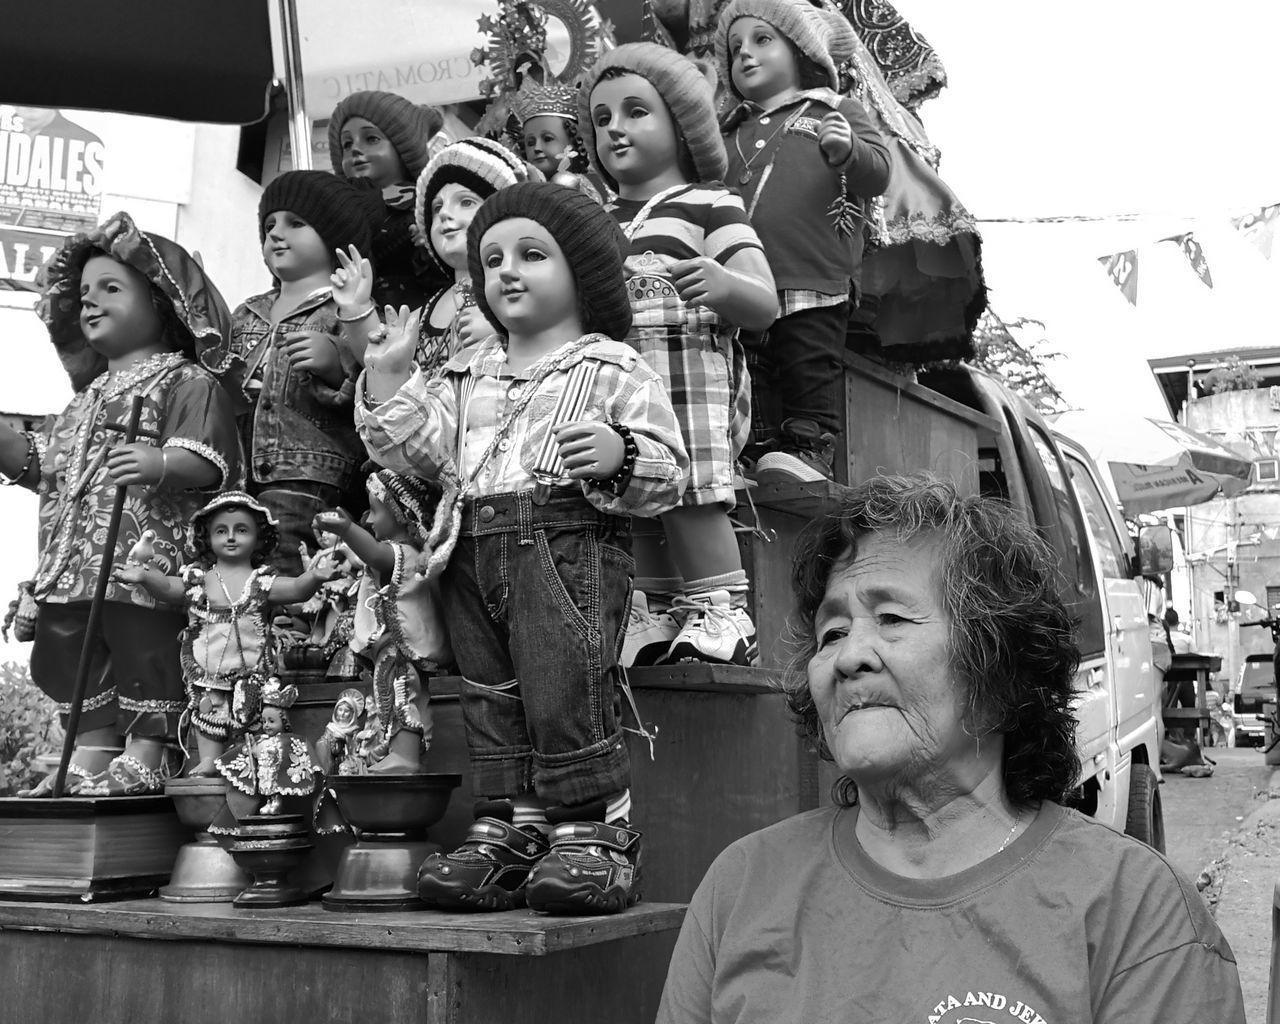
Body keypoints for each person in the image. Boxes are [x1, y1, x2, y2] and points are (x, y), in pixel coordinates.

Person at [657, 473, 1246, 1023]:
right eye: (831, 633)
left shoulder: (1137, 912)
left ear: (999, 671)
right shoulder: (740, 888)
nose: (848, 656)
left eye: (891, 618)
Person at [357, 182, 688, 914]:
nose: (507, 270)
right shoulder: (466, 375)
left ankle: (593, 832)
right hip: (473, 548)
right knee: (491, 693)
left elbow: (671, 473)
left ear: (583, 272)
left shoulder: (611, 366)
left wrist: (619, 451)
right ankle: (512, 827)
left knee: (563, 685)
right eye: (493, 257)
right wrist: (387, 372)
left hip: (564, 547)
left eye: (532, 254)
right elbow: (409, 446)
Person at [3, 212, 242, 797]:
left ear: (162, 304)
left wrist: (161, 463)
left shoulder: (185, 380)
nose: (90, 304)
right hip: (71, 565)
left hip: (143, 559)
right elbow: (44, 467)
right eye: (83, 295)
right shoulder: (82, 402)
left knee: (144, 647)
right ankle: (90, 746)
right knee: (67, 650)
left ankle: (147, 748)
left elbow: (212, 460)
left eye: (111, 288)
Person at [578, 43, 777, 666]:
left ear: (682, 124)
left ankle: (723, 612)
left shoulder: (708, 203)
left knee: (690, 490)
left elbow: (764, 300)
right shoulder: (594, 217)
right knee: (636, 487)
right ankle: (660, 610)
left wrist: (723, 285)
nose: (615, 128)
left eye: (636, 110)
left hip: (687, 370)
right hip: (617, 376)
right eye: (602, 118)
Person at [716, 0, 890, 480]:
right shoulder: (727, 130)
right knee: (747, 368)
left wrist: (849, 150)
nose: (745, 55)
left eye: (762, 40)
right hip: (740, 281)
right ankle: (750, 450)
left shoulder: (836, 111)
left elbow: (879, 175)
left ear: (802, 52)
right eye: (735, 48)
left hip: (810, 274)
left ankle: (810, 449)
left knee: (806, 361)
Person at [204, 170, 377, 574]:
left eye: (296, 223)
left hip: (306, 480)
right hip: (235, 473)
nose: (277, 234)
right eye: (269, 226)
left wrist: (337, 365)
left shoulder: (347, 309)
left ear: (335, 236)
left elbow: (379, 386)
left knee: (284, 577)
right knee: (230, 583)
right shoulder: (246, 311)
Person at [113, 491, 341, 776]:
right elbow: (170, 588)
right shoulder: (199, 579)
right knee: (208, 714)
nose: (231, 537)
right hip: (207, 665)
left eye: (241, 530)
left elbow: (295, 588)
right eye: (221, 531)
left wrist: (316, 576)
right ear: (207, 537)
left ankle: (253, 759)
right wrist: (145, 577)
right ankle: (209, 759)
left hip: (251, 667)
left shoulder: (262, 581)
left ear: (259, 537)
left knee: (253, 714)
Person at [331, 137, 526, 377]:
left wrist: (507, 331)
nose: (445, 214)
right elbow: (385, 371)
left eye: (466, 202)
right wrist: (357, 309)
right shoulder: (420, 317)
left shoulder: (524, 290)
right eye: (437, 208)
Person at [314, 469, 451, 774]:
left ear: (401, 513)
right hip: (392, 647)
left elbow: (375, 554)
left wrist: (348, 530)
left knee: (402, 695)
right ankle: (399, 752)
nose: (370, 520)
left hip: (400, 647)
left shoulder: (402, 552)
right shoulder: (407, 552)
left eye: (375, 511)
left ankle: (406, 756)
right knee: (392, 696)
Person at [328, 89, 449, 310]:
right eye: (346, 144)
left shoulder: (429, 206)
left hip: (413, 321)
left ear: (404, 149)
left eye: (371, 139)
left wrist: (430, 249)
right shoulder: (332, 212)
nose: (355, 148)